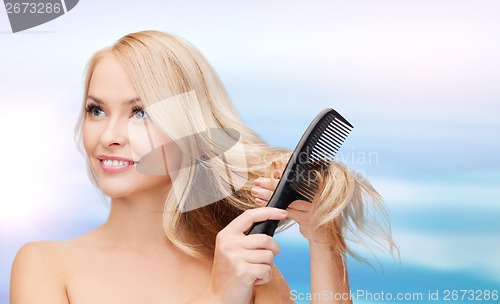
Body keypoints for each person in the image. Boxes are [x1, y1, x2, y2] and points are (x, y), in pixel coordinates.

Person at [10, 30, 396, 304]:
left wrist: (323, 238)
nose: (109, 135)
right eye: (97, 110)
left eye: (140, 112)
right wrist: (217, 296)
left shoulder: (246, 268)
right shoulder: (44, 265)